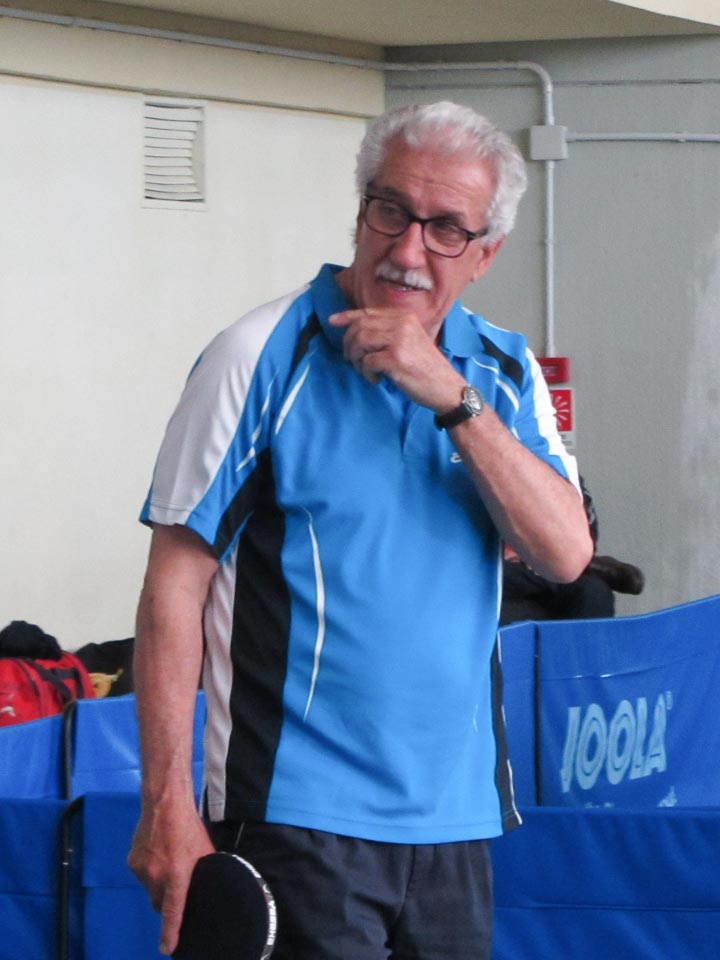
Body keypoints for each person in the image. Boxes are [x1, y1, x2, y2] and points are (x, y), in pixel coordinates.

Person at [128, 101, 593, 960]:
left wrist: (448, 392)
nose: (408, 250)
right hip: (291, 818)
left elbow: (565, 554)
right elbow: (173, 587)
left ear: (485, 254)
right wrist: (166, 805)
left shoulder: (502, 371)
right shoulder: (257, 355)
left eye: (446, 228)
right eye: (391, 210)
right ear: (360, 211)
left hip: (456, 823)